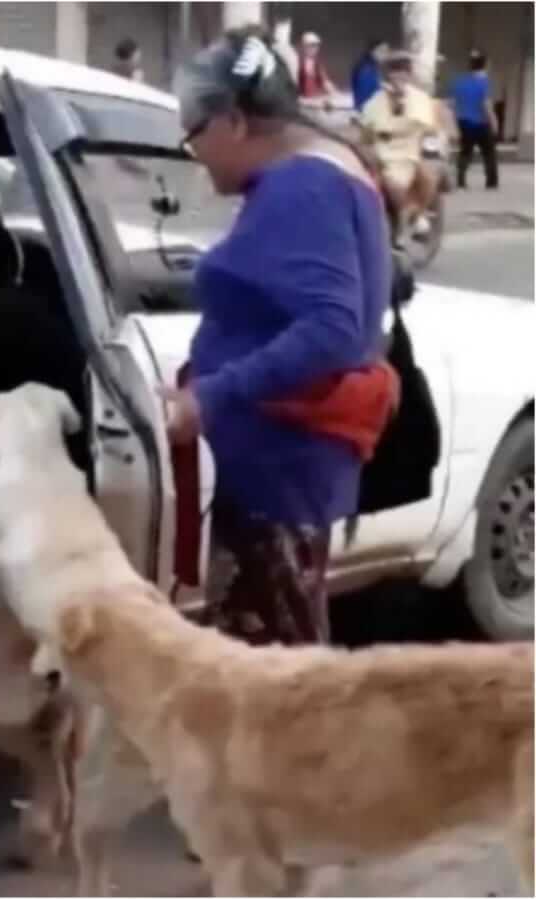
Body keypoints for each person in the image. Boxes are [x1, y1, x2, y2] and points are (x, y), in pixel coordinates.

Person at [167, 27, 396, 646]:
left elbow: (332, 331)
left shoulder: (303, 186)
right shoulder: (322, 172)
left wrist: (206, 397)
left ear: (234, 122)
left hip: (279, 479)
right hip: (284, 474)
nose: (198, 156)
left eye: (194, 137)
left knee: (277, 688)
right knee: (273, 676)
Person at [360, 51, 441, 240]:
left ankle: (414, 216)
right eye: (393, 72)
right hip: (383, 153)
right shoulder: (377, 99)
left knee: (427, 177)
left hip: (410, 150)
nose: (397, 76)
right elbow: (367, 126)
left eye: (402, 71)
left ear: (408, 74)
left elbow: (420, 123)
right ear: (387, 75)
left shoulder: (419, 98)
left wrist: (394, 119)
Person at [451, 49, 500, 190]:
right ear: (486, 65)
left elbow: (453, 104)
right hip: (481, 123)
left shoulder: (460, 81)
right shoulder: (484, 82)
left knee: (465, 152)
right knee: (489, 153)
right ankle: (491, 182)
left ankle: (460, 180)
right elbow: (486, 105)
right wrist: (494, 122)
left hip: (464, 122)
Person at [295, 31, 337, 99]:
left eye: (316, 45)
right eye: (312, 45)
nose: (315, 48)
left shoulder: (317, 63)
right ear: (304, 46)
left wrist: (336, 94)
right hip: (301, 99)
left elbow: (325, 81)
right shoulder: (296, 62)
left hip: (314, 99)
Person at [350, 39, 388, 113]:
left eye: (386, 51)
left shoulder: (374, 68)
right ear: (372, 51)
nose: (385, 54)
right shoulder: (366, 69)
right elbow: (365, 97)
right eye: (382, 51)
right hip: (368, 113)